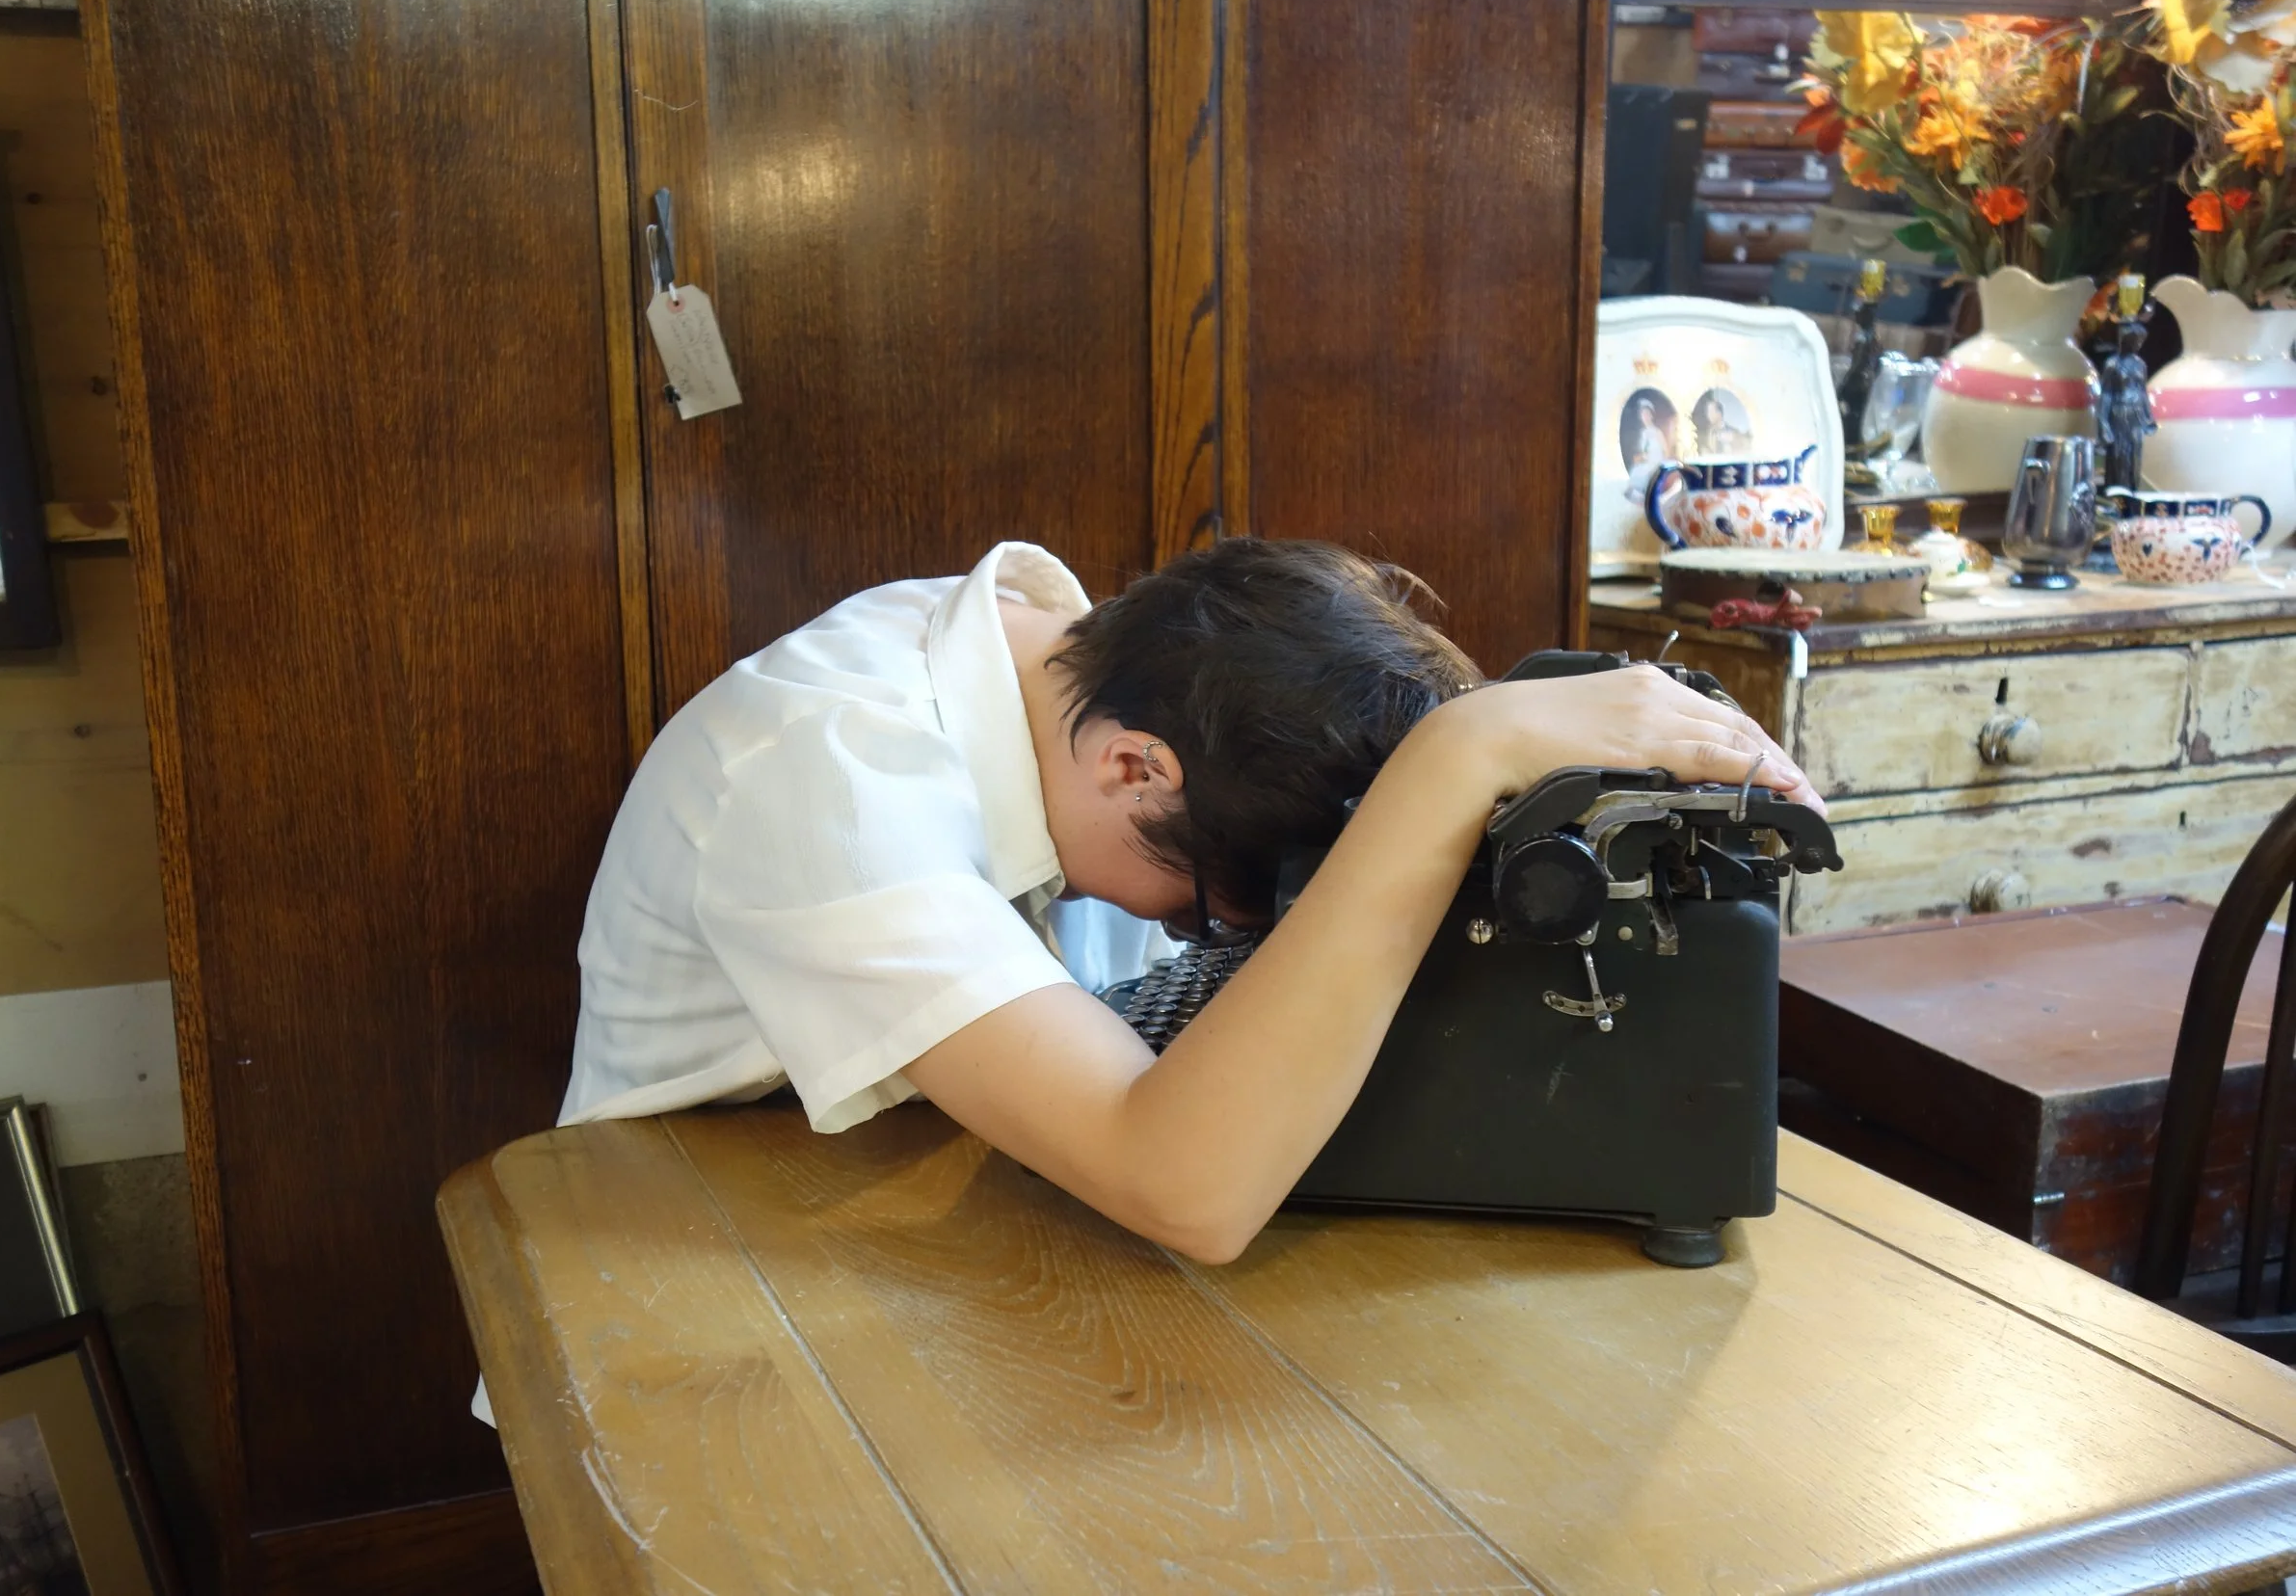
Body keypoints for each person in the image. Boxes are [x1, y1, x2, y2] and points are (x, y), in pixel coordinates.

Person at [557, 538, 1814, 1265]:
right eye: (1214, 906)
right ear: (1135, 767)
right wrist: (1457, 757)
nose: (1206, 936)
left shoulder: (1049, 666)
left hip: (895, 1192)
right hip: (699, 1263)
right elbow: (1189, 1195)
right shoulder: (834, 777)